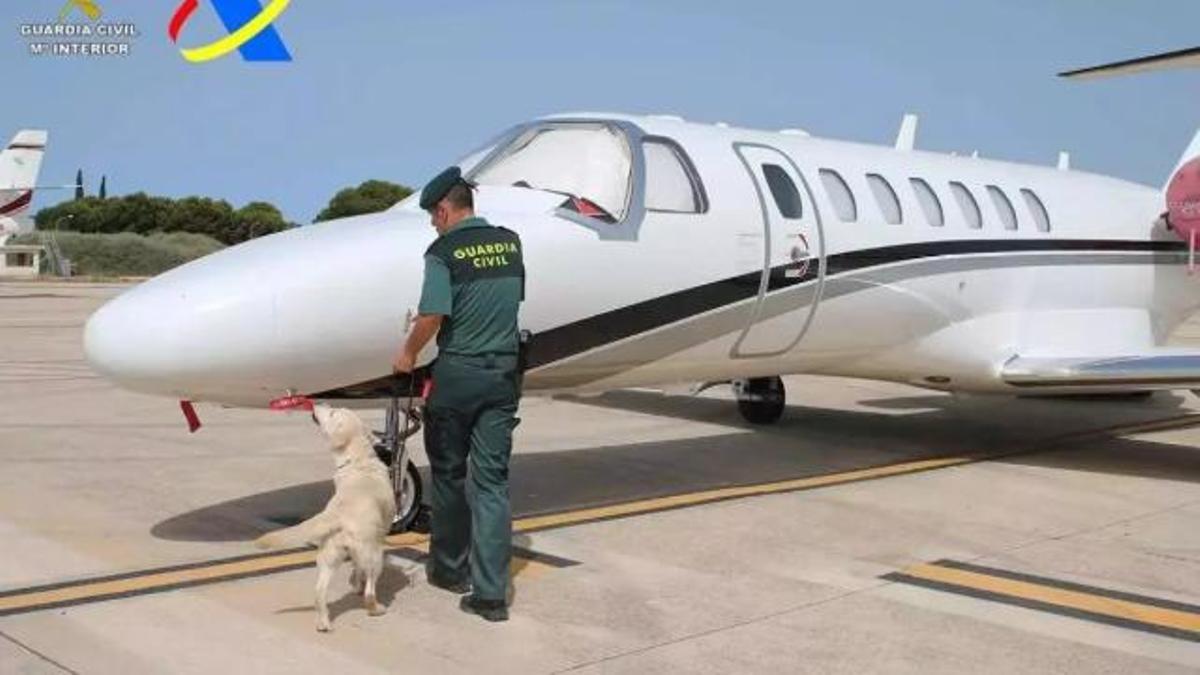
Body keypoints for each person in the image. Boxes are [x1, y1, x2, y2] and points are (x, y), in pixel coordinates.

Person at [393, 166, 525, 622]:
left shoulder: (443, 251)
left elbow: (432, 314)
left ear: (446, 210)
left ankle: (450, 570)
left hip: (458, 378)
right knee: (492, 484)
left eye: (434, 214)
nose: (433, 222)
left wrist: (408, 354)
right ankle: (490, 596)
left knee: (449, 475)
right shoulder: (511, 243)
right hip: (503, 379)